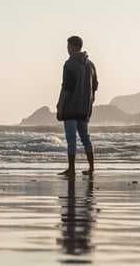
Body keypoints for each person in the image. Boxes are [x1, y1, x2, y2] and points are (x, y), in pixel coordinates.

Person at [56, 36, 98, 176]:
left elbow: (67, 87)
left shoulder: (69, 64)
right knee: (86, 137)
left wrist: (60, 106)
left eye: (68, 46)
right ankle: (91, 168)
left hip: (71, 107)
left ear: (73, 47)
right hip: (85, 108)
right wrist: (90, 102)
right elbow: (95, 86)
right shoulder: (90, 65)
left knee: (71, 138)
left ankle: (71, 168)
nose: (67, 49)